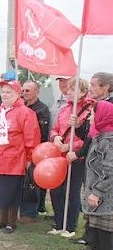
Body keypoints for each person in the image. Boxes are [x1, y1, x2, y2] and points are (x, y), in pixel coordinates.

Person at [0, 80, 40, 233]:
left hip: (15, 159)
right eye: (3, 91)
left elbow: (31, 137)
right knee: (0, 192)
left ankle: (11, 223)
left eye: (9, 92)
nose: (5, 95)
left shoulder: (26, 113)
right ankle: (1, 221)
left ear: (17, 94)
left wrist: (29, 158)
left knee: (12, 192)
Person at [48, 78, 94, 238]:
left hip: (76, 158)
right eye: (68, 89)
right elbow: (55, 128)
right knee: (55, 190)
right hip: (58, 155)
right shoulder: (64, 109)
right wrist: (55, 138)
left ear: (82, 91)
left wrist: (71, 146)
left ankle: (70, 226)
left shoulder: (89, 110)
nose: (68, 92)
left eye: (73, 89)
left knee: (71, 192)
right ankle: (59, 223)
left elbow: (88, 137)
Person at [78, 100, 113, 250]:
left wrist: (98, 192)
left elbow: (110, 169)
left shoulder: (110, 139)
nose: (90, 117)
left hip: (106, 191)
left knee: (106, 224)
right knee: (96, 222)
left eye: (93, 114)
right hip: (97, 188)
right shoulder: (101, 136)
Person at [20, 81, 51, 221]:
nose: (24, 93)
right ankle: (21, 209)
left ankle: (30, 212)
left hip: (36, 150)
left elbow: (42, 134)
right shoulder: (20, 106)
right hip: (19, 150)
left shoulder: (42, 109)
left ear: (37, 91)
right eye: (23, 90)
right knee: (21, 182)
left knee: (32, 182)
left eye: (28, 90)